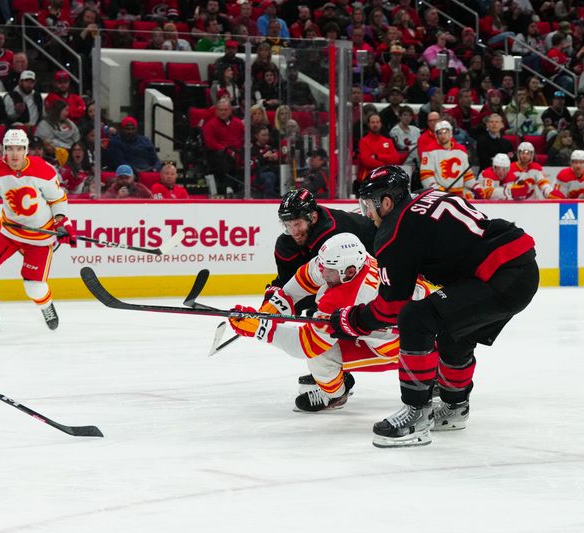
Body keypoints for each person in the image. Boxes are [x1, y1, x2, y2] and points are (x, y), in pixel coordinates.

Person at [328, 166, 538, 447]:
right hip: (519, 269)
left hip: (501, 277)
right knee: (454, 332)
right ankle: (455, 408)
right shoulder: (430, 196)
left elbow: (390, 309)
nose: (366, 212)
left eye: (368, 204)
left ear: (386, 202)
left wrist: (350, 321)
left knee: (416, 318)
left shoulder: (394, 231)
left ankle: (417, 413)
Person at [229, 233, 432, 412]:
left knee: (320, 356)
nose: (323, 275)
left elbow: (306, 345)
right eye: (323, 267)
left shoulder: (347, 296)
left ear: (350, 272)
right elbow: (306, 276)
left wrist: (260, 328)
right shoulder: (353, 261)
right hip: (422, 314)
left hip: (399, 345)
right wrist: (274, 307)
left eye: (329, 272)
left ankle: (335, 395)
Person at [0, 129, 75, 333]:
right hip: (9, 230)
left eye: (19, 149)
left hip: (40, 236)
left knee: (34, 288)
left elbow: (58, 200)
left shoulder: (43, 170)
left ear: (26, 150)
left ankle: (46, 306)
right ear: (4, 150)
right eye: (9, 149)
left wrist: (61, 222)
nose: (14, 154)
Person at [420, 120, 481, 198]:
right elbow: (426, 176)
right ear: (436, 135)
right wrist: (438, 190)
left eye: (445, 132)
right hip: (439, 196)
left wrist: (476, 187)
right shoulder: (429, 150)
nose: (443, 135)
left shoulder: (461, 150)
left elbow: (467, 174)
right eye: (440, 133)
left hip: (459, 194)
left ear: (450, 133)